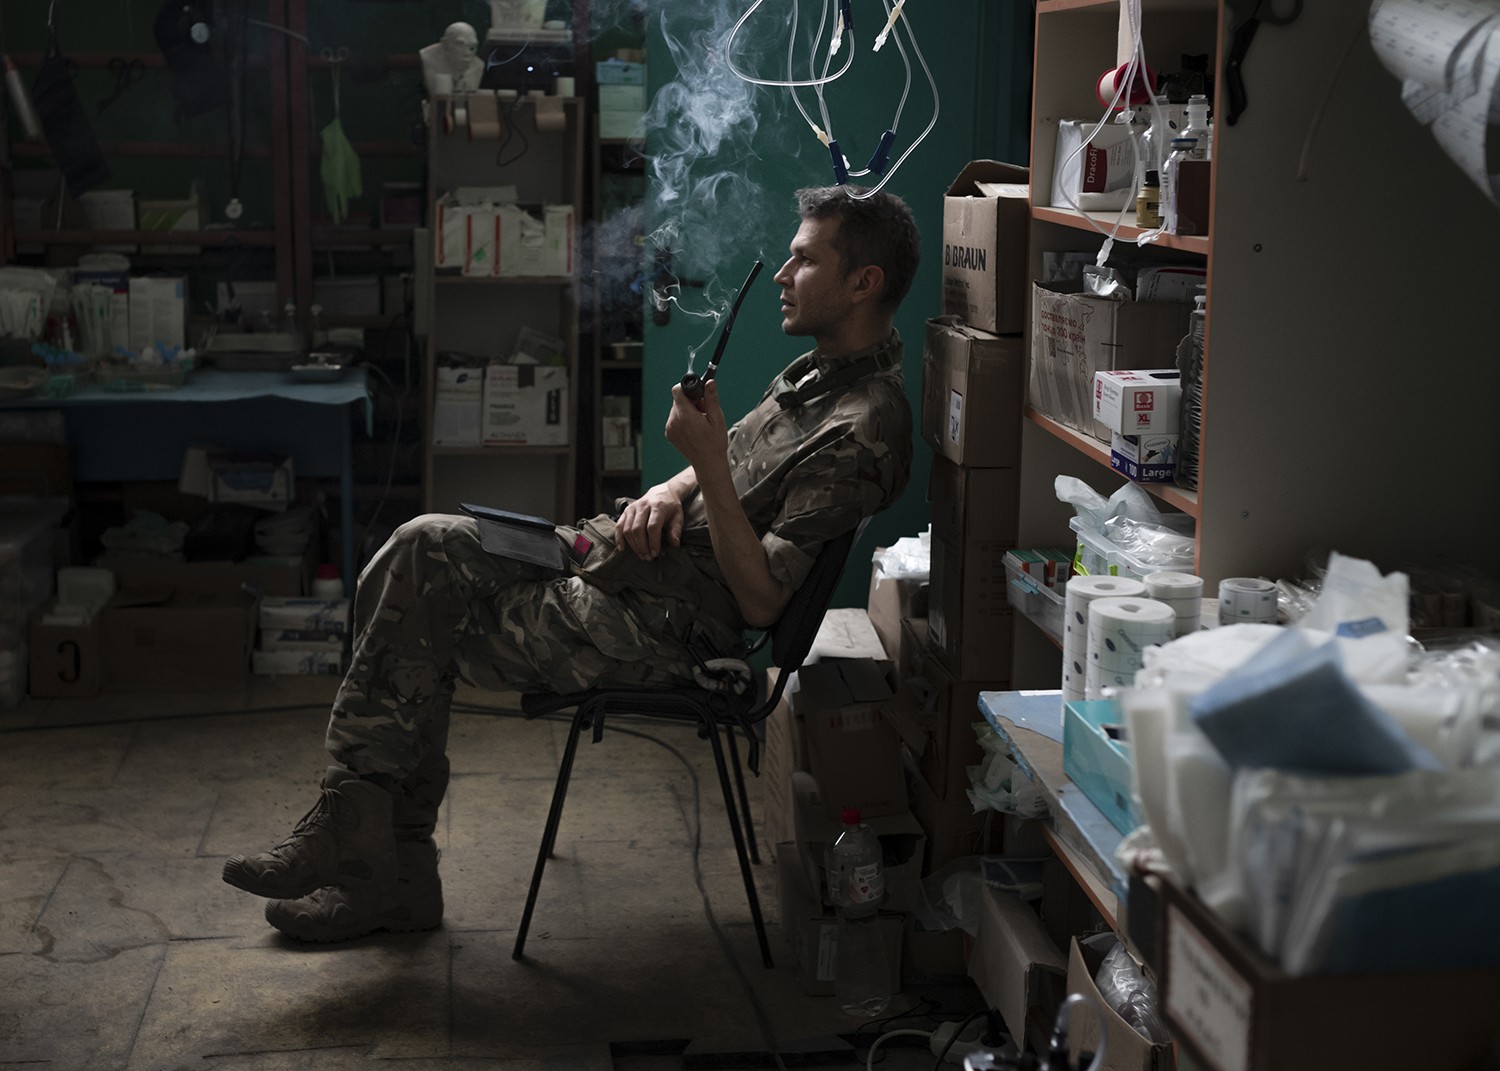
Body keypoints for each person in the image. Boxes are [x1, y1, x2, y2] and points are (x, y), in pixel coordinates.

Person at [222, 185, 921, 942]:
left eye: (804, 258)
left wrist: (707, 468)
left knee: (411, 616)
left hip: (661, 628)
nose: (783, 275)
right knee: (419, 542)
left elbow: (758, 602)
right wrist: (668, 485)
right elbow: (727, 463)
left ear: (863, 282)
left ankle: (371, 858)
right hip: (619, 561)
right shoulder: (819, 374)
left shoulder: (863, 427)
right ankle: (379, 860)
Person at [419, 22, 484, 99]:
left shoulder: (478, 65)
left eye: (472, 47)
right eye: (460, 45)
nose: (467, 53)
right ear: (446, 45)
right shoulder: (428, 57)